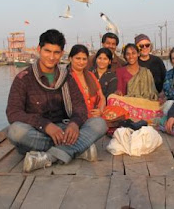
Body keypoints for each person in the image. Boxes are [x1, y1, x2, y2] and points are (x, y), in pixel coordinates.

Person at [6, 29, 107, 173]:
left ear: (61, 53)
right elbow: (13, 113)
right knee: (15, 131)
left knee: (99, 124)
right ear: (39, 49)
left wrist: (74, 124)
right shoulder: (24, 78)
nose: (51, 57)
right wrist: (45, 125)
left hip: (64, 130)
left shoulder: (67, 77)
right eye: (47, 51)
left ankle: (48, 157)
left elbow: (80, 107)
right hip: (38, 131)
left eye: (56, 52)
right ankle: (78, 149)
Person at [68, 44, 106, 118]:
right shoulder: (66, 77)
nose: (81, 62)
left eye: (84, 59)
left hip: (95, 115)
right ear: (70, 58)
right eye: (78, 58)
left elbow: (102, 97)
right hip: (75, 118)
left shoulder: (90, 75)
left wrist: (100, 110)